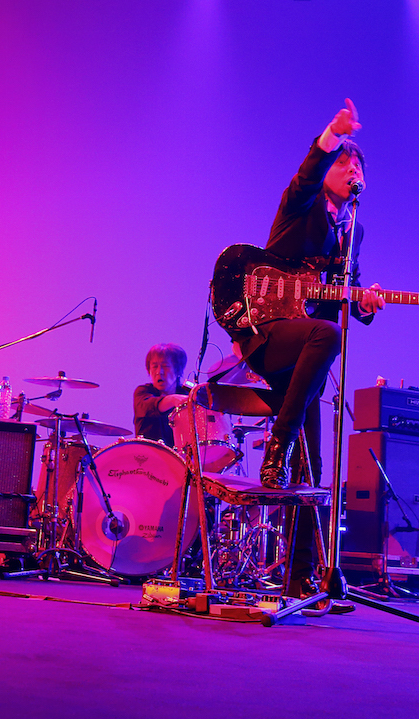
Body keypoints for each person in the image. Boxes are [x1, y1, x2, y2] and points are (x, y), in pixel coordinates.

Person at [227, 99, 384, 600]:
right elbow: (304, 176)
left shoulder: (352, 233)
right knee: (327, 336)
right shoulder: (302, 205)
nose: (352, 168)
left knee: (314, 466)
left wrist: (365, 304)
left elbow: (345, 292)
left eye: (357, 163)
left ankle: (299, 580)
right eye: (345, 161)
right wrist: (331, 138)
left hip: (305, 352)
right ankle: (278, 440)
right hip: (267, 330)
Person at [133, 343, 190, 448]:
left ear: (177, 370)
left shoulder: (187, 394)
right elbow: (149, 407)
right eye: (154, 367)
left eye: (165, 366)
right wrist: (172, 399)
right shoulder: (142, 392)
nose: (159, 372)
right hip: (146, 458)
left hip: (181, 460)